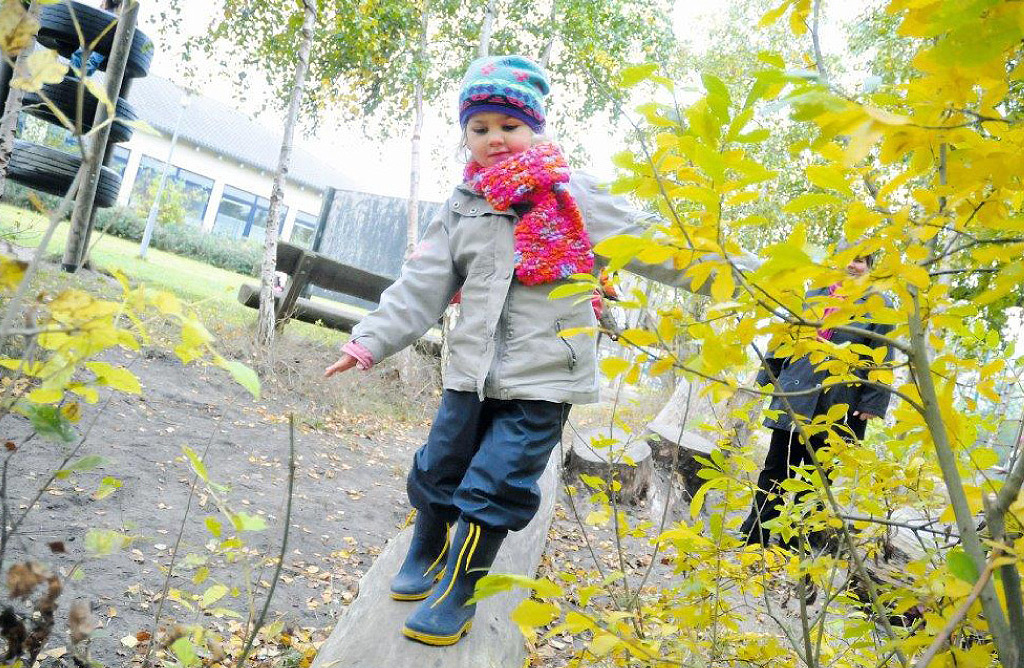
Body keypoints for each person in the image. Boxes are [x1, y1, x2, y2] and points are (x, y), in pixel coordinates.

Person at [324, 55, 754, 646]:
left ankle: (461, 585)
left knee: (500, 480)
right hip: (469, 374)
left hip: (546, 377)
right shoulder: (463, 204)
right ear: (466, 135)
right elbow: (422, 283)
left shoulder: (572, 195)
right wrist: (369, 340)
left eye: (509, 125)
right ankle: (427, 543)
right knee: (442, 463)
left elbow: (659, 247)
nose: (494, 139)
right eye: (480, 128)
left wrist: (759, 280)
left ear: (535, 129)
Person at [738, 248, 894, 549]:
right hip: (796, 389)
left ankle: (794, 540)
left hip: (839, 399)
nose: (852, 265)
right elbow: (787, 334)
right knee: (776, 468)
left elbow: (883, 355)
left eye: (860, 260)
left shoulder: (880, 304)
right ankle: (755, 533)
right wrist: (768, 373)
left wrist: (872, 402)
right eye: (847, 258)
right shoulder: (815, 291)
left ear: (869, 265)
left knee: (817, 475)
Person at [69, 0, 122, 77]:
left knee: (94, 60)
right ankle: (71, 76)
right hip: (94, 37)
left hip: (106, 43)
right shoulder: (105, 7)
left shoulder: (126, 12)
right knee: (79, 53)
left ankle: (80, 80)